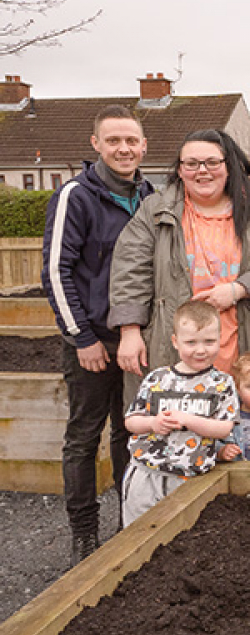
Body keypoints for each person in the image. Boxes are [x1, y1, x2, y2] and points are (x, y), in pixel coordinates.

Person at [41, 105, 154, 564]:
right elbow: (55, 270)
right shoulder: (76, 195)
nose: (124, 149)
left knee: (129, 433)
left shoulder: (150, 195)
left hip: (137, 341)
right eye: (114, 141)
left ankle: (128, 522)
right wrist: (81, 337)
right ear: (96, 145)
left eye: (131, 141)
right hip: (91, 340)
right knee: (84, 437)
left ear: (144, 146)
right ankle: (84, 533)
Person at [109, 129, 250, 406]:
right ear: (180, 170)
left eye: (212, 162)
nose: (202, 171)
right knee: (177, 430)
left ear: (228, 166)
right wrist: (129, 331)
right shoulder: (156, 211)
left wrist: (238, 289)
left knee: (246, 432)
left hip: (246, 343)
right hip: (176, 346)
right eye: (192, 164)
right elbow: (130, 270)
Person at [121, 300, 238, 526]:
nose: (201, 350)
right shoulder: (157, 379)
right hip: (147, 473)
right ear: (176, 342)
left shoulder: (222, 383)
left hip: (191, 476)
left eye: (209, 341)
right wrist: (153, 423)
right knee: (138, 532)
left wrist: (189, 420)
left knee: (184, 535)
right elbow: (131, 421)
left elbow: (224, 427)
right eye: (191, 342)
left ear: (220, 340)